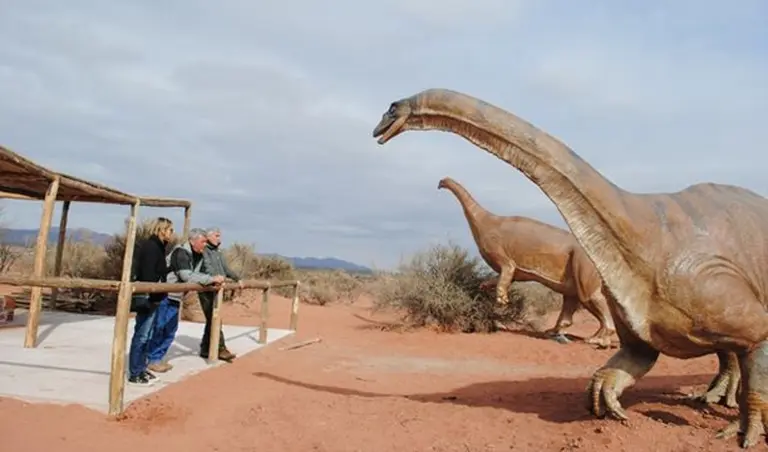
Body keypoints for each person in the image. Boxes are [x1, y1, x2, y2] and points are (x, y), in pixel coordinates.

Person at [163, 228, 225, 362]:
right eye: (203, 242)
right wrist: (211, 279)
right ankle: (152, 360)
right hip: (165, 295)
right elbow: (186, 275)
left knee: (169, 331)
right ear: (193, 241)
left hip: (176, 296)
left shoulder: (201, 255)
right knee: (160, 329)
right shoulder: (181, 252)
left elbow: (203, 272)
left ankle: (156, 359)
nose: (205, 245)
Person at [127, 217, 174, 386]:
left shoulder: (158, 247)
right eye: (170, 230)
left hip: (154, 297)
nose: (171, 233)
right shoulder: (152, 247)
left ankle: (140, 368)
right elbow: (148, 274)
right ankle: (135, 372)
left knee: (146, 335)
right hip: (148, 298)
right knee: (142, 335)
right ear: (161, 229)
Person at [200, 227, 243, 362]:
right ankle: (220, 348)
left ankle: (205, 348)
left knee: (212, 319)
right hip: (207, 288)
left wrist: (237, 278)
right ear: (209, 237)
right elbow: (207, 267)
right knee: (214, 318)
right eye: (217, 236)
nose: (219, 239)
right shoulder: (204, 251)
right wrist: (216, 277)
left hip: (217, 289)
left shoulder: (218, 252)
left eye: (219, 236)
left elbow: (226, 268)